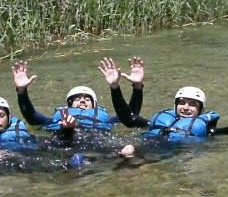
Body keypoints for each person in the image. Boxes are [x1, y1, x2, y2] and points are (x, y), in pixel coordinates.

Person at [105, 59, 228, 143]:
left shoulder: (206, 131)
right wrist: (115, 87)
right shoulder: (156, 123)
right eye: (182, 102)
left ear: (201, 110)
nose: (185, 107)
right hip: (144, 150)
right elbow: (128, 118)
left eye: (193, 104)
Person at [11, 58, 143, 140]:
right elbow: (31, 118)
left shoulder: (107, 120)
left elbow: (130, 116)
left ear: (94, 105)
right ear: (69, 105)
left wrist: (137, 87)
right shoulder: (56, 119)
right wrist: (21, 91)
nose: (82, 100)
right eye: (77, 99)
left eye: (87, 99)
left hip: (96, 143)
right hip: (63, 142)